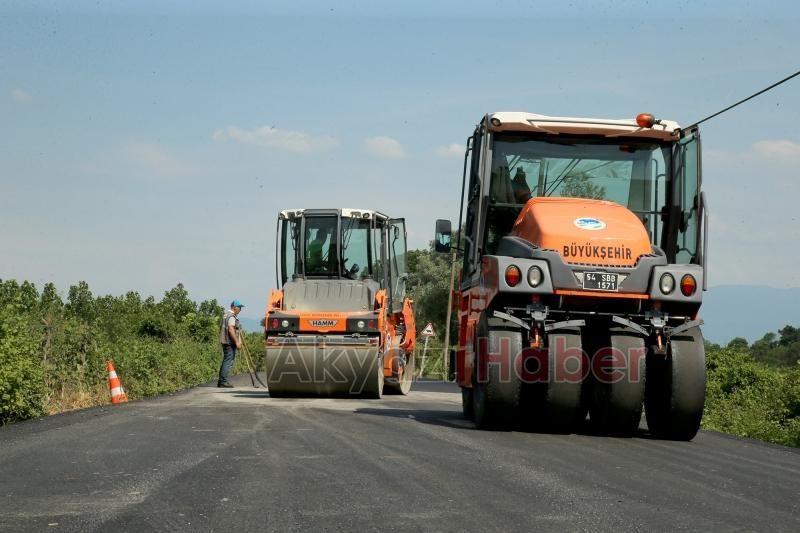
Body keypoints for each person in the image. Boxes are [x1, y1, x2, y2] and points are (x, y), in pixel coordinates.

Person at [218, 299, 243, 388]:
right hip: (229, 342)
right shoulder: (231, 316)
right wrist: (237, 342)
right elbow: (231, 329)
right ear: (234, 307)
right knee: (228, 361)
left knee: (226, 360)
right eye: (239, 307)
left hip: (225, 340)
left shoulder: (225, 315)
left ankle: (221, 381)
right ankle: (223, 381)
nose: (240, 310)